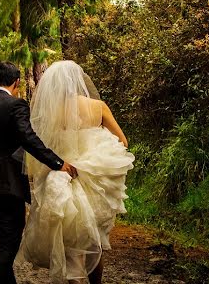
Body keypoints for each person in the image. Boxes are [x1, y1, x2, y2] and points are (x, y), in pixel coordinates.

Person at [0, 61, 79, 284]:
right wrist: (58, 162)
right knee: (8, 244)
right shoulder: (15, 106)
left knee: (0, 244)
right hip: (7, 188)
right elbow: (29, 139)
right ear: (16, 82)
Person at [18, 61, 134, 284]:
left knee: (73, 247)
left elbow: (42, 147)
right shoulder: (98, 107)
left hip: (64, 177)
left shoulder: (53, 112)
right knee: (95, 241)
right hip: (95, 182)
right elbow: (123, 141)